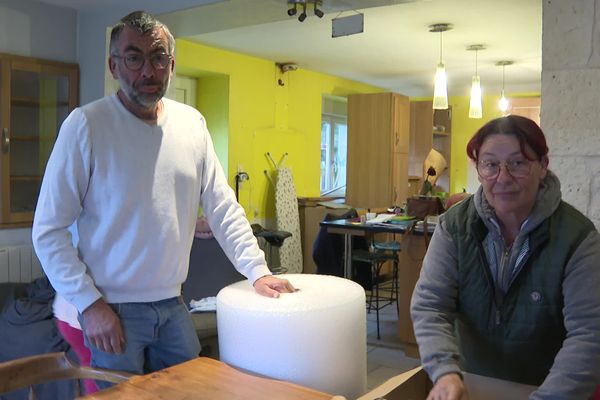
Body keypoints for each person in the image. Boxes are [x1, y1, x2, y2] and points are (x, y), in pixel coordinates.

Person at [32, 10, 294, 382]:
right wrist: (89, 304)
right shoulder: (86, 126)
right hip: (108, 306)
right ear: (113, 65)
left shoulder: (192, 126)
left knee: (191, 390)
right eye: (134, 58)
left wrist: (257, 271)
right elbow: (48, 230)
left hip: (172, 304)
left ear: (171, 65)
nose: (147, 71)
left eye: (158, 58)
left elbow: (223, 207)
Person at [410, 115, 600, 399]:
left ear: (543, 166)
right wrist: (445, 372)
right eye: (490, 164)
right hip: (469, 382)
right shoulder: (454, 227)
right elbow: (431, 305)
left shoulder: (577, 238)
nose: (503, 178)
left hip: (550, 387)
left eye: (518, 163)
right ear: (479, 170)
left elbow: (589, 332)